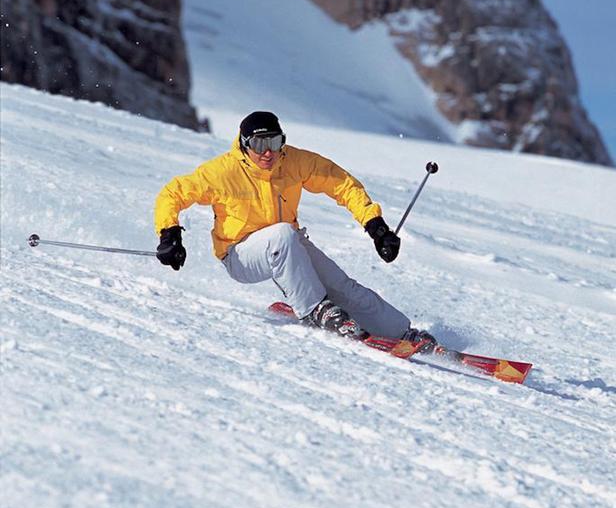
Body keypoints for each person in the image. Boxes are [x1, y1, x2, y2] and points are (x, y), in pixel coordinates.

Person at [154, 111, 435, 346]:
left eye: (275, 142)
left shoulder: (293, 161)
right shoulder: (221, 172)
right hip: (239, 255)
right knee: (283, 234)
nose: (268, 152)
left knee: (342, 286)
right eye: (259, 143)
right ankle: (315, 309)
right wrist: (170, 234)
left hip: (287, 244)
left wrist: (376, 227)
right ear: (243, 144)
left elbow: (342, 184)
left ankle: (401, 332)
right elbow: (173, 193)